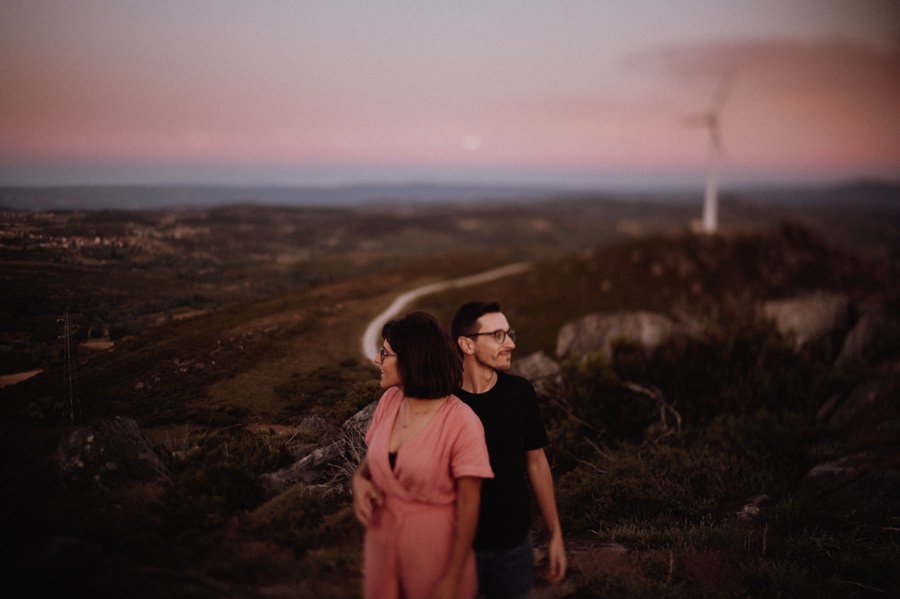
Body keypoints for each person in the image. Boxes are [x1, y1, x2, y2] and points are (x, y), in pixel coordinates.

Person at [353, 311, 494, 599]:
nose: (376, 360)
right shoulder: (390, 401)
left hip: (434, 553)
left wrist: (452, 579)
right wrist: (359, 482)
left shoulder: (462, 422)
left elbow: (469, 507)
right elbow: (373, 460)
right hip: (383, 544)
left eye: (385, 353)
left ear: (411, 360)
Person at [451, 301, 567, 598]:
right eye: (498, 336)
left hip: (514, 547)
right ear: (466, 344)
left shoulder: (520, 392)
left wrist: (555, 535)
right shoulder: (446, 402)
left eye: (510, 333)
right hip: (457, 551)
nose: (511, 344)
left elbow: (537, 463)